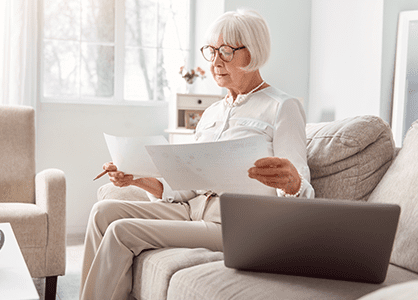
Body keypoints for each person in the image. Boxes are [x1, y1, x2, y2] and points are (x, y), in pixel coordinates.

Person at [79, 9, 314, 300]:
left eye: (226, 51)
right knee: (103, 212)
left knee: (121, 232)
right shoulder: (212, 113)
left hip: (234, 224)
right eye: (211, 51)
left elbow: (302, 186)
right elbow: (185, 187)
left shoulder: (282, 106)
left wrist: (291, 183)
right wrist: (136, 178)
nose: (215, 62)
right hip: (190, 210)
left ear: (253, 52)